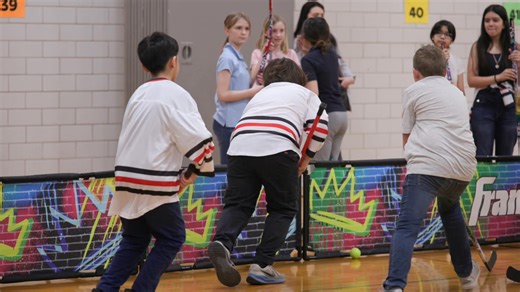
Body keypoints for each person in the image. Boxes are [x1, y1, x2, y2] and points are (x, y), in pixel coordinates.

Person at [93, 32, 215, 292]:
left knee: (134, 240)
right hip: (154, 181)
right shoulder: (177, 94)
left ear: (144, 66)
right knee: (173, 238)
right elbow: (203, 145)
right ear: (174, 61)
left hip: (125, 179)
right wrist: (188, 177)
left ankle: (104, 289)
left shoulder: (137, 94)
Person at [207, 58, 328, 287]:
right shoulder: (304, 94)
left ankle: (223, 242)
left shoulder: (260, 94)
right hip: (279, 147)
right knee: (283, 208)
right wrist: (305, 159)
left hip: (239, 146)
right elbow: (320, 126)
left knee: (238, 204)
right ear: (299, 78)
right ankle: (262, 265)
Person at [382, 45, 479, 292]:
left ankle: (394, 286)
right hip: (464, 169)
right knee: (450, 210)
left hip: (428, 169)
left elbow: (407, 138)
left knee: (407, 225)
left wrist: (415, 164)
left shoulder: (413, 90)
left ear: (415, 73)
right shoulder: (458, 93)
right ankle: (467, 275)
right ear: (446, 70)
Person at [467, 4, 520, 156]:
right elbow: (471, 80)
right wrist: (498, 77)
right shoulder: (477, 47)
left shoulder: (514, 47)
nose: (490, 24)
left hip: (508, 106)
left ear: (504, 24)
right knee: (483, 154)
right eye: (487, 20)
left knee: (506, 155)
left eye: (495, 20)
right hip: (484, 104)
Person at [213, 12, 262, 165]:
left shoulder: (238, 57)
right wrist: (252, 92)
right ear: (227, 30)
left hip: (237, 121)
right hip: (227, 124)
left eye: (247, 29)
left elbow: (241, 85)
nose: (243, 32)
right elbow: (223, 94)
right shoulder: (227, 58)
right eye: (238, 28)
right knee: (229, 169)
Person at [300, 17, 347, 161]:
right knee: (334, 167)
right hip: (342, 114)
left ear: (305, 37)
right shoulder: (332, 54)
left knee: (320, 168)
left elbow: (314, 93)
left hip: (328, 116)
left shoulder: (308, 60)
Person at [250, 14, 300, 86]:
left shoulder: (291, 54)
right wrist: (264, 53)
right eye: (274, 31)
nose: (278, 35)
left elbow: (298, 80)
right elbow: (252, 77)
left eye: (282, 30)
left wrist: (270, 82)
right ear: (265, 33)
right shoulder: (257, 53)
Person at [430, 20, 466, 94]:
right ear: (432, 37)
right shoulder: (425, 57)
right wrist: (440, 60)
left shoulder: (457, 60)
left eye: (447, 34)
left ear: (452, 40)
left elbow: (461, 90)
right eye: (439, 33)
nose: (442, 37)